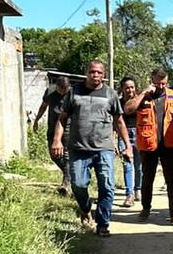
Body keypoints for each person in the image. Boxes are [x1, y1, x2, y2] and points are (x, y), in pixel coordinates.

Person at [51, 60, 131, 238]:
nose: (96, 75)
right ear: (86, 72)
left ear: (103, 74)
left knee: (107, 186)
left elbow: (119, 121)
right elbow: (62, 119)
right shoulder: (74, 92)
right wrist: (57, 140)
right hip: (78, 148)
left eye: (99, 73)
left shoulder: (110, 94)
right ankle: (86, 209)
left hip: (104, 148)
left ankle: (103, 224)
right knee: (78, 184)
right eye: (92, 72)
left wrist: (128, 146)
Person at [124, 67, 173, 226]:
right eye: (157, 83)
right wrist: (144, 92)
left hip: (169, 144)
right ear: (152, 81)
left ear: (167, 82)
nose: (160, 87)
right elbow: (128, 109)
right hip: (148, 145)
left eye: (163, 83)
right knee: (147, 179)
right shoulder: (143, 96)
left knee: (171, 180)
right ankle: (145, 209)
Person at [33, 73, 72, 194]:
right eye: (61, 89)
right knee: (54, 155)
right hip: (52, 127)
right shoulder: (50, 92)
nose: (63, 92)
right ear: (57, 87)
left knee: (66, 155)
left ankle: (66, 182)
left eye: (66, 89)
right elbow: (43, 106)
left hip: (68, 129)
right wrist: (37, 120)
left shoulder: (72, 94)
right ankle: (69, 174)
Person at [118, 77, 143, 207]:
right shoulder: (118, 102)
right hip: (124, 135)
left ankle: (138, 189)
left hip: (139, 134)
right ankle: (129, 194)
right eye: (127, 87)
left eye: (132, 87)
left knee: (139, 166)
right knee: (127, 165)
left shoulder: (140, 101)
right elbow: (114, 121)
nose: (130, 90)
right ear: (122, 88)